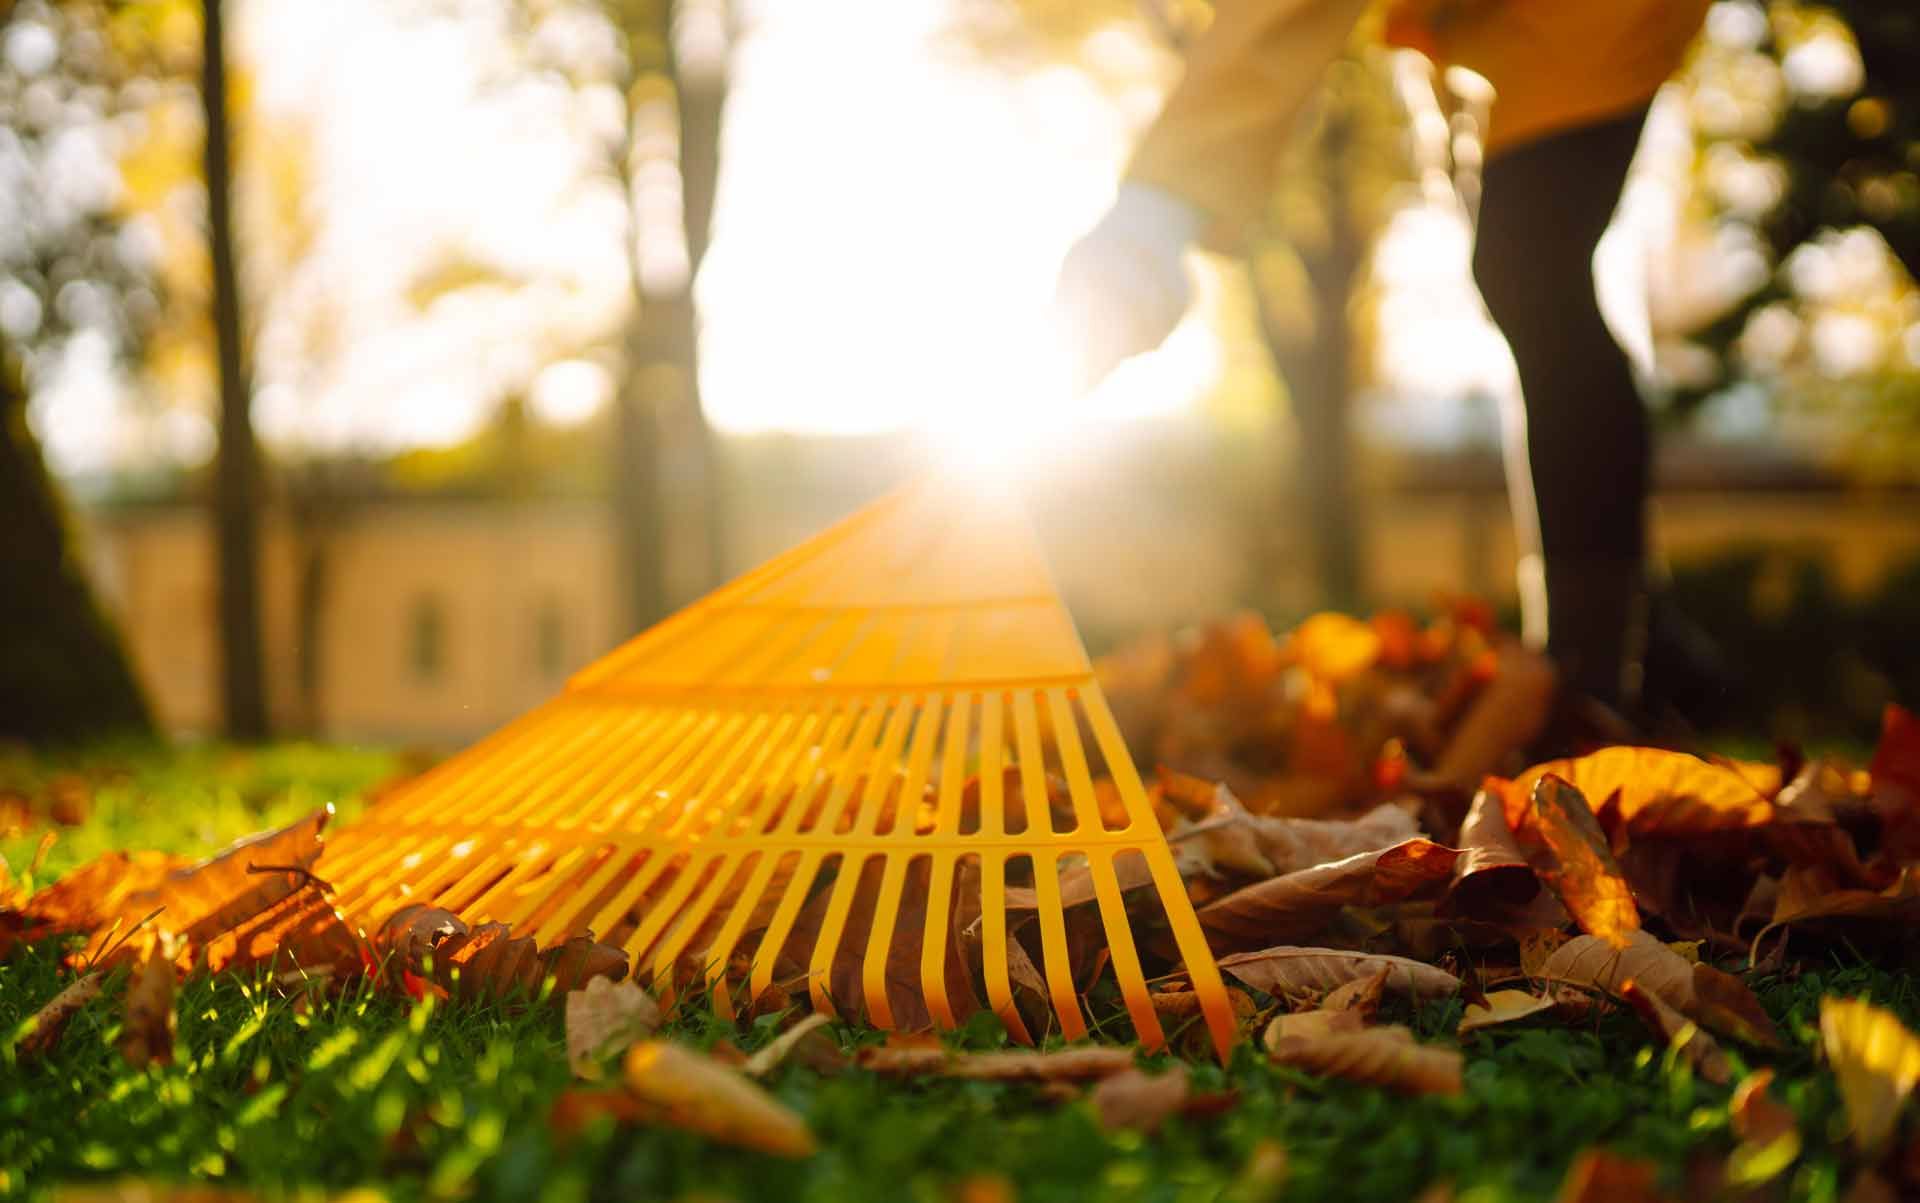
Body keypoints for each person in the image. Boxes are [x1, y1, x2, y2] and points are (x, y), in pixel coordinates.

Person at [1055, 0, 1713, 716]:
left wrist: (1157, 210)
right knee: (1532, 286)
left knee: (1530, 266)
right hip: (1498, 32)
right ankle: (1637, 642)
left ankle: (1590, 676)